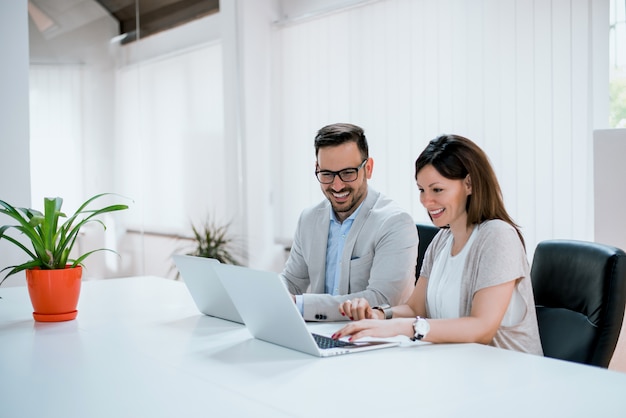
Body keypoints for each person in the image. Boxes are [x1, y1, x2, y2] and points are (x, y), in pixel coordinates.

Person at [333, 134, 543, 355]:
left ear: (469, 184)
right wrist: (379, 315)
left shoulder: (498, 236)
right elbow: (415, 308)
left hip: (510, 375)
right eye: (422, 190)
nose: (425, 201)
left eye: (437, 190)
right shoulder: (442, 239)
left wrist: (402, 327)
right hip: (460, 368)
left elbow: (482, 328)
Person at [280, 123, 418, 322]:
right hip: (318, 332)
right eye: (327, 174)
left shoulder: (395, 223)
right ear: (317, 169)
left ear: (368, 168)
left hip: (374, 340)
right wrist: (275, 294)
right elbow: (292, 280)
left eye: (347, 173)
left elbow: (384, 299)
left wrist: (301, 305)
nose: (337, 185)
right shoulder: (309, 219)